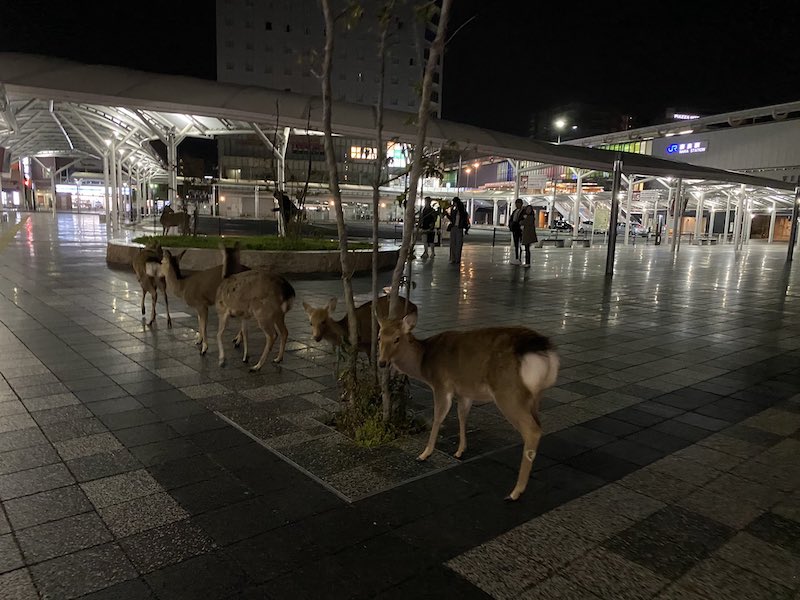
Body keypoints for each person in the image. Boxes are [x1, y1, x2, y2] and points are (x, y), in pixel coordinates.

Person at [446, 196, 470, 264]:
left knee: (458, 244)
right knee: (453, 243)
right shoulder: (454, 210)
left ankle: (457, 258)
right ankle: (453, 258)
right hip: (454, 227)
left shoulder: (462, 212)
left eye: (454, 202)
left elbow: (465, 220)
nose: (454, 204)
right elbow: (452, 219)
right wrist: (447, 214)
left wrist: (466, 228)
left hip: (459, 228)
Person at [509, 198, 524, 264]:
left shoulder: (523, 211)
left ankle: (519, 258)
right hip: (515, 229)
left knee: (520, 244)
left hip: (520, 229)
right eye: (516, 203)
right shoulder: (515, 211)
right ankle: (516, 257)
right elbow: (511, 219)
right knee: (516, 244)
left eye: (518, 203)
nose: (517, 205)